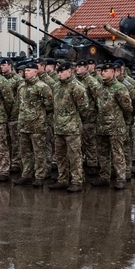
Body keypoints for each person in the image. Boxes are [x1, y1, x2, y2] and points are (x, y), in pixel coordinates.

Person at [48, 60, 91, 193]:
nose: (59, 74)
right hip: (59, 127)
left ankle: (77, 181)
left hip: (72, 128)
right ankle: (62, 179)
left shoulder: (77, 87)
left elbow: (84, 108)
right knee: (60, 155)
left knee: (75, 156)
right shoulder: (57, 86)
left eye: (62, 72)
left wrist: (75, 121)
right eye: (58, 72)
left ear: (70, 71)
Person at [91, 61, 133, 189]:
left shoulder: (120, 88)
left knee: (117, 153)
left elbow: (128, 108)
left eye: (106, 71)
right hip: (102, 126)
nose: (103, 73)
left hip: (115, 127)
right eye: (102, 71)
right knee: (102, 153)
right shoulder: (100, 88)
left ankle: (121, 178)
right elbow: (96, 107)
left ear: (113, 73)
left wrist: (124, 123)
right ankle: (104, 176)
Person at [14, 61, 53, 187]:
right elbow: (19, 104)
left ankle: (40, 176)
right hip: (24, 125)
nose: (26, 72)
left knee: (39, 152)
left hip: (37, 125)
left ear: (36, 72)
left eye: (29, 71)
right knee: (25, 152)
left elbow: (50, 105)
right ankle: (26, 174)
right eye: (25, 71)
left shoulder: (42, 86)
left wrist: (38, 116)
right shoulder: (21, 87)